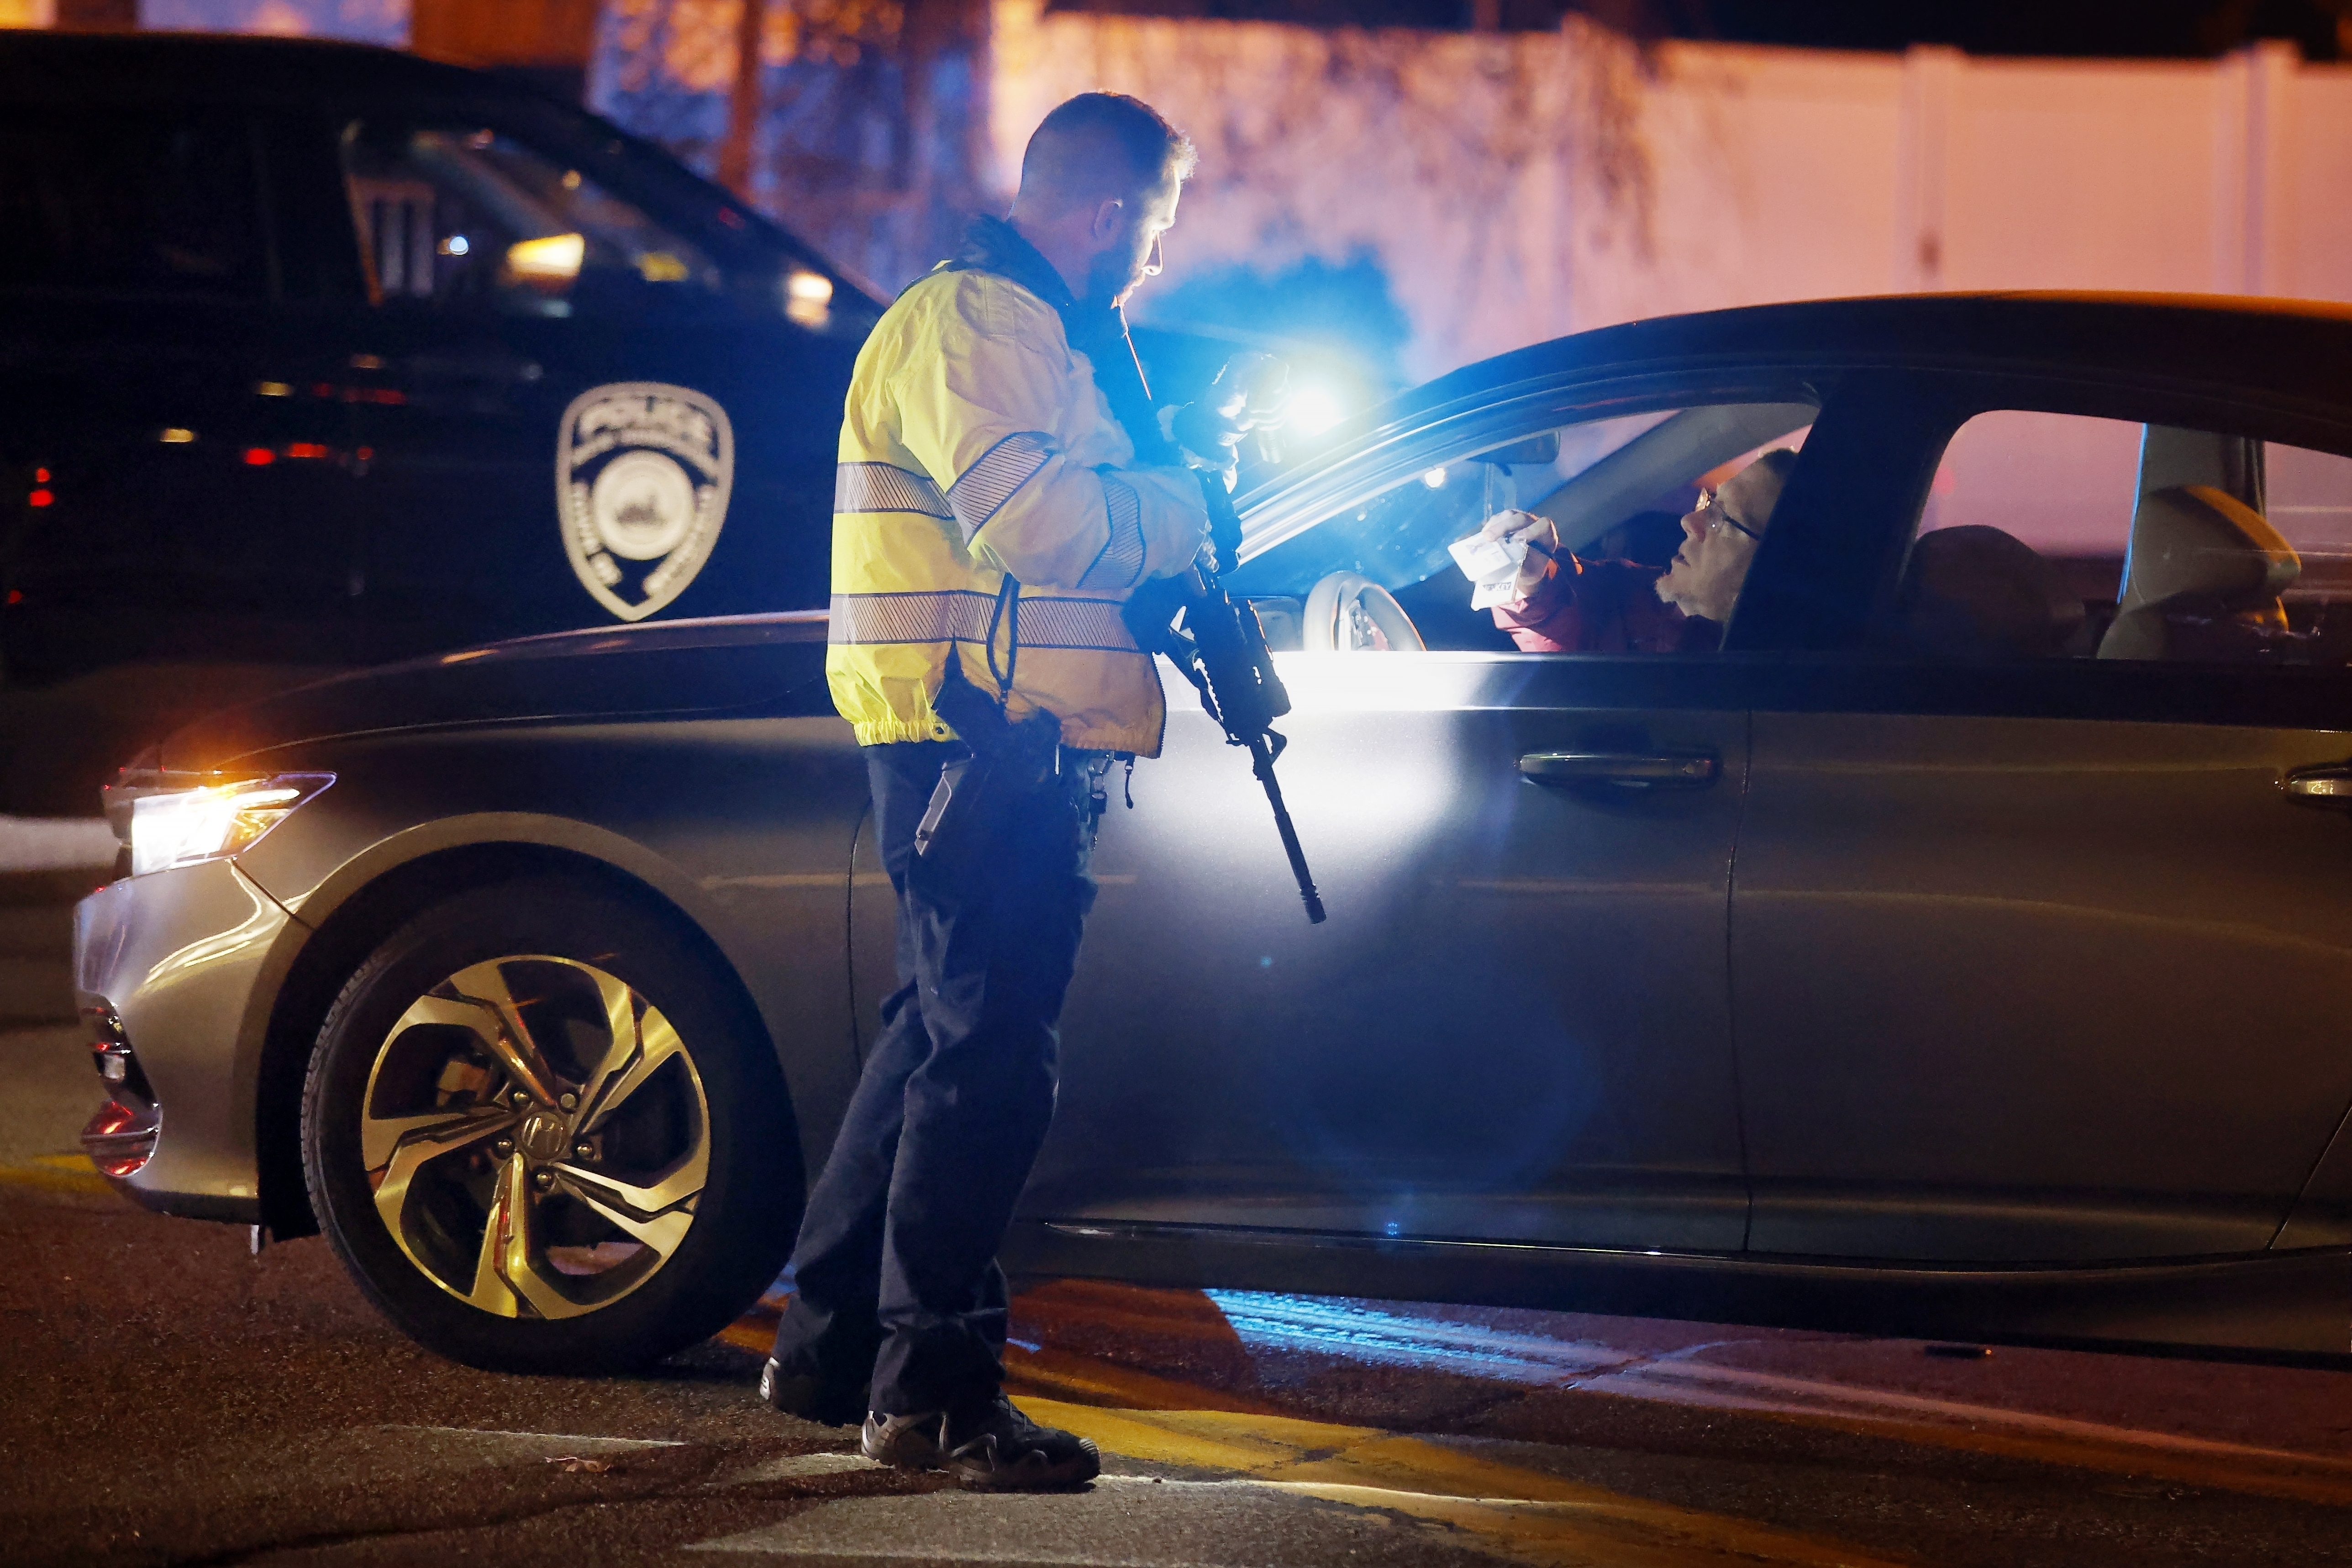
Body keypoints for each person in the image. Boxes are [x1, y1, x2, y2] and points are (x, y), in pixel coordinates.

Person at [759, 95, 1237, 1491]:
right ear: (1106, 214)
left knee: (936, 1039)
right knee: (987, 1068)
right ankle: (936, 1396)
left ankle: (830, 1351)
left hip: (989, 739)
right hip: (981, 744)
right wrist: (1181, 506)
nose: (1153, 260)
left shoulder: (1025, 329)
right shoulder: (982, 322)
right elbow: (1034, 519)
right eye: (1152, 230)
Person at [1477, 448, 1797, 652]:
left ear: (1771, 570)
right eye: (1709, 503)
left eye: (1721, 519)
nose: (1690, 521)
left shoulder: (1753, 697)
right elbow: (1579, 608)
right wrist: (1536, 582)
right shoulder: (1637, 593)